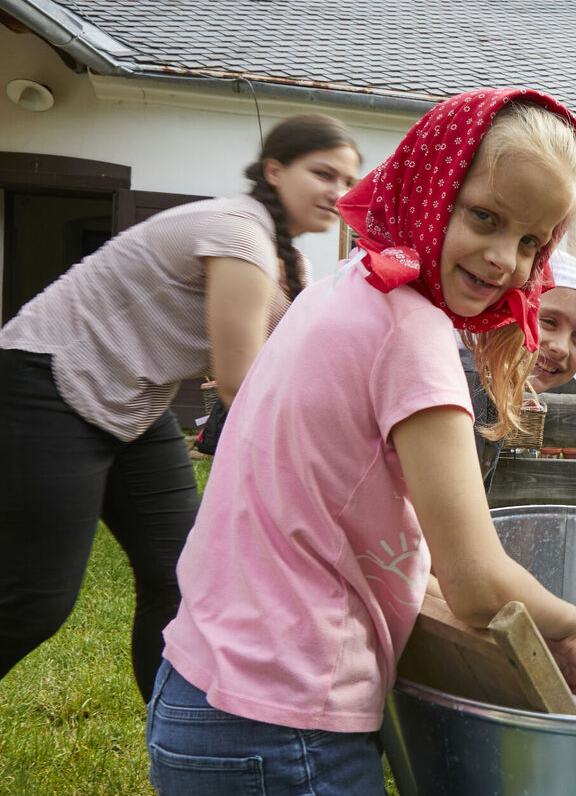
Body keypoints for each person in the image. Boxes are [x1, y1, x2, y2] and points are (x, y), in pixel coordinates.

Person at [145, 88, 576, 794]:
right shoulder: (412, 330)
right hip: (286, 726)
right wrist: (571, 629)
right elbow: (477, 581)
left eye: (531, 242)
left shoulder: (345, 288)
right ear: (432, 183)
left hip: (197, 692)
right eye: (485, 216)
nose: (504, 260)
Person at [0, 114, 360, 702]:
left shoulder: (283, 263)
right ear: (275, 170)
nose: (338, 192)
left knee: (180, 582)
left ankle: (175, 744)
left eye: (347, 179)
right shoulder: (238, 232)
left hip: (133, 410)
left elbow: (299, 371)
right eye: (323, 173)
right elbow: (241, 382)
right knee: (34, 599)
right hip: (50, 384)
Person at [465, 248, 576, 489]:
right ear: (508, 308)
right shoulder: (470, 385)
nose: (562, 348)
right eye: (549, 321)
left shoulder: (491, 383)